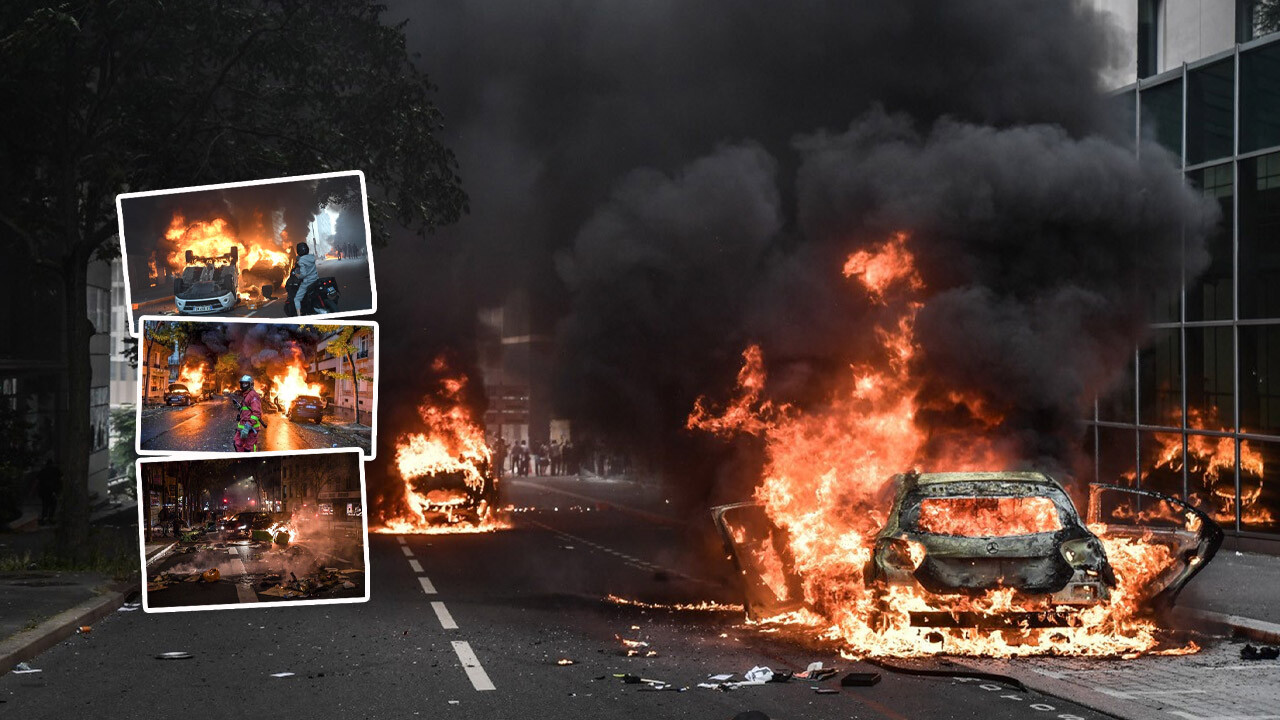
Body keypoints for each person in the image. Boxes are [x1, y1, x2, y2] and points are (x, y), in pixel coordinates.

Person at [233, 374, 266, 452]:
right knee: (237, 443)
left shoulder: (253, 395)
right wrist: (240, 408)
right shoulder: (246, 395)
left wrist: (248, 426)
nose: (243, 386)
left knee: (249, 447)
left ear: (250, 384)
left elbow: (257, 413)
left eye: (245, 384)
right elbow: (247, 410)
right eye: (242, 383)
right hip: (243, 426)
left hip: (251, 428)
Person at [293, 241, 319, 314]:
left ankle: (300, 318)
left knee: (297, 299)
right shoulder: (312, 257)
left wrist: (298, 276)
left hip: (308, 282)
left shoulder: (301, 260)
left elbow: (303, 274)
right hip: (316, 279)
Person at [37, 456, 61, 525]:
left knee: (45, 505)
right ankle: (50, 518)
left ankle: (44, 518)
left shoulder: (43, 471)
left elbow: (37, 481)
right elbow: (61, 478)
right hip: (52, 491)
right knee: (53, 504)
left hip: (44, 491)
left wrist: (31, 492)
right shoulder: (56, 470)